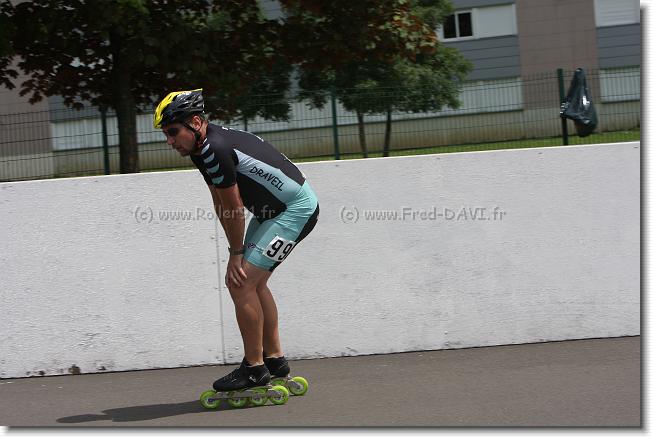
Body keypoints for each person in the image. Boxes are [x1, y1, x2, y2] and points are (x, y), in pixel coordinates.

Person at [153, 88, 319, 392]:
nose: (169, 141)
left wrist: (236, 253)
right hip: (273, 211)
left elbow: (233, 206)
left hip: (294, 210)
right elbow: (219, 201)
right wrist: (236, 252)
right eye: (165, 134)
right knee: (254, 283)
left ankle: (254, 369)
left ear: (195, 123)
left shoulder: (214, 149)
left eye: (173, 131)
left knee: (240, 283)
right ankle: (274, 360)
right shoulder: (201, 148)